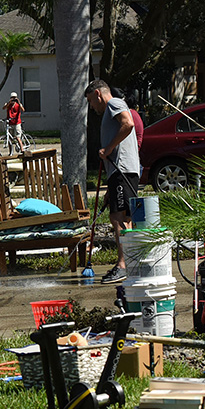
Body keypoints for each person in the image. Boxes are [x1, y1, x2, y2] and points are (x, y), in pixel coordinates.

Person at [85, 79, 140, 284]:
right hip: (119, 172)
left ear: (98, 94)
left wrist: (107, 149)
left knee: (119, 219)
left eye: (91, 100)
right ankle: (129, 263)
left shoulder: (114, 104)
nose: (92, 106)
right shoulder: (111, 109)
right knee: (121, 217)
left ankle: (123, 266)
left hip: (122, 169)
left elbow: (128, 123)